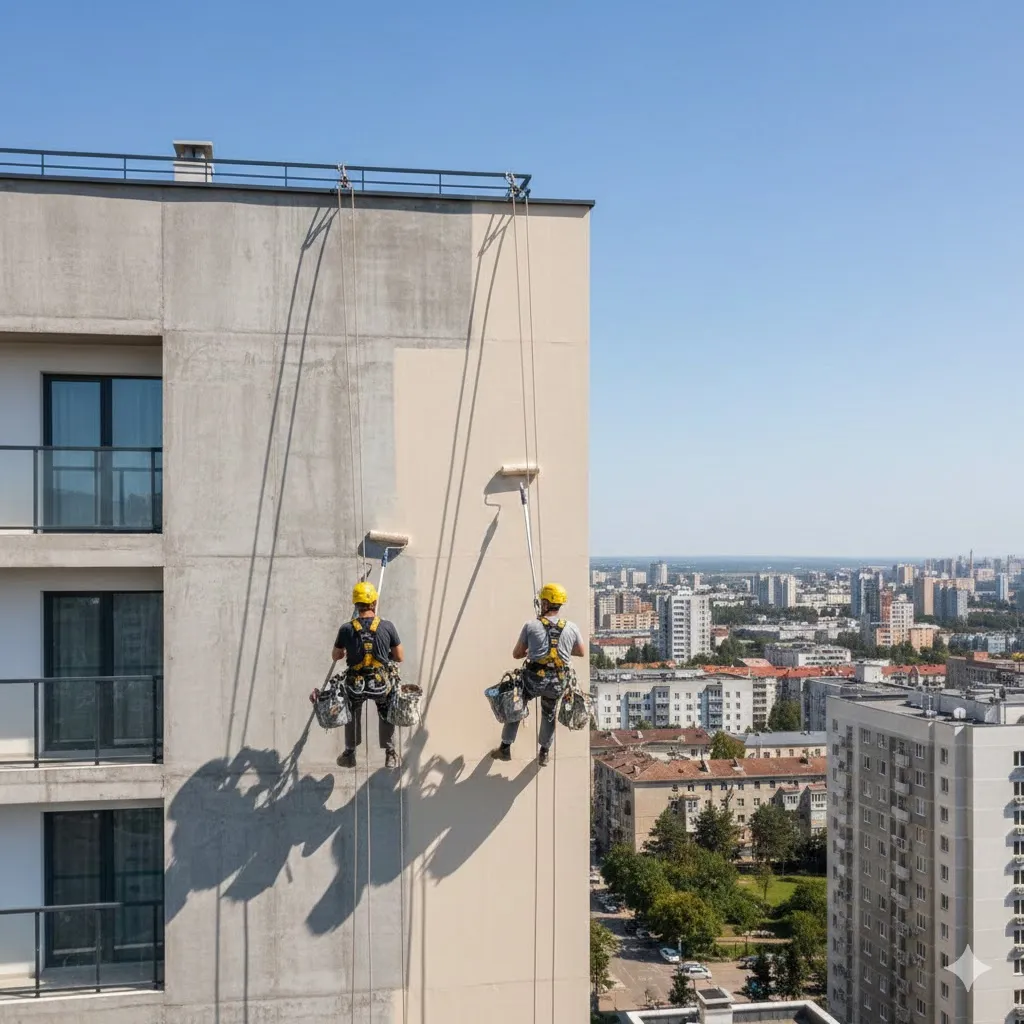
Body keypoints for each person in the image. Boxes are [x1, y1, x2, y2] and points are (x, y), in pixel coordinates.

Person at [310, 580, 404, 769]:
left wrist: (349, 648)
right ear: (374, 603)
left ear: (356, 604)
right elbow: (399, 657)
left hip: (356, 685)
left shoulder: (346, 629)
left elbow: (336, 656)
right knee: (385, 710)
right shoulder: (387, 627)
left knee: (352, 711)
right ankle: (390, 754)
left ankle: (350, 752)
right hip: (380, 684)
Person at [491, 582, 585, 767]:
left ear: (545, 603)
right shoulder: (571, 627)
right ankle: (544, 752)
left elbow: (517, 654)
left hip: (534, 679)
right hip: (558, 680)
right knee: (549, 713)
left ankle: (505, 747)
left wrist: (533, 651)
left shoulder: (531, 625)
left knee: (516, 706)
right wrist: (563, 651)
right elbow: (581, 651)